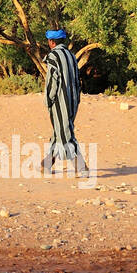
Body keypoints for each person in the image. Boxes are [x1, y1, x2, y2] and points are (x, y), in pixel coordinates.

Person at [42, 28, 88, 176]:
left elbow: (52, 81)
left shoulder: (53, 56)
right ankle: (46, 164)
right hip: (73, 100)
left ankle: (80, 167)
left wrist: (48, 99)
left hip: (59, 100)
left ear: (51, 42)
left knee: (65, 133)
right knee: (60, 131)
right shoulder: (71, 55)